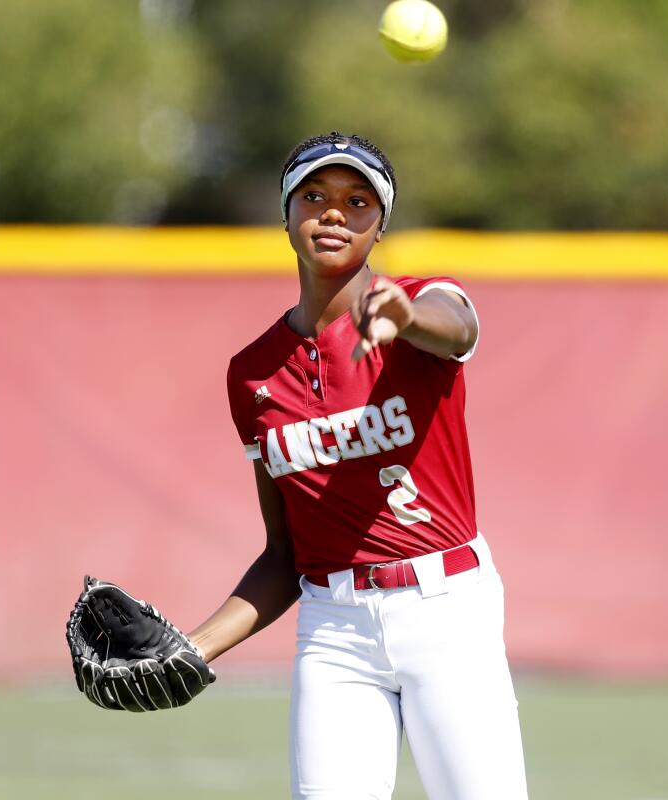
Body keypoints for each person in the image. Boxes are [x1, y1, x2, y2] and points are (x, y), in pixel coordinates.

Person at [186, 131, 528, 800]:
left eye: (357, 200)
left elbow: (453, 326)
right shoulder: (252, 374)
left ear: (381, 225)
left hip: (446, 613)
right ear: (286, 217)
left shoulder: (425, 308)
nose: (334, 212)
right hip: (333, 628)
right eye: (313, 196)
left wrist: (405, 315)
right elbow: (285, 555)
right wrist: (193, 649)